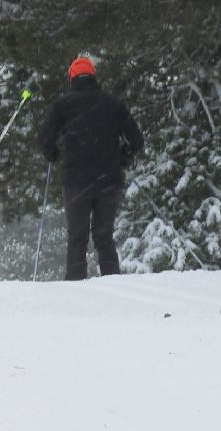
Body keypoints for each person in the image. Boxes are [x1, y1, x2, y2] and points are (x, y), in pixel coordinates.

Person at [37, 56, 144, 281]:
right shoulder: (113, 103)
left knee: (77, 235)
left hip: (77, 179)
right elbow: (136, 140)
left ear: (71, 78)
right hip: (109, 178)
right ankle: (113, 281)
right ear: (93, 76)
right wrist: (122, 157)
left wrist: (53, 154)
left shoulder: (62, 105)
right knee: (104, 235)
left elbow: (44, 138)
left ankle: (75, 284)